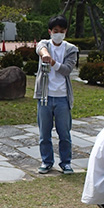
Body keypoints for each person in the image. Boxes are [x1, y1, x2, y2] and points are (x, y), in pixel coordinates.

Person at [33, 15, 79, 174]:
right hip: (45, 96)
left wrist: (52, 62)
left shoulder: (71, 49)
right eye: (55, 31)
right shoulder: (45, 44)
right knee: (44, 133)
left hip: (62, 98)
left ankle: (65, 163)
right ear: (50, 32)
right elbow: (40, 48)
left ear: (65, 32)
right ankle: (46, 162)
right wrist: (45, 54)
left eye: (61, 31)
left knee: (64, 133)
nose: (58, 34)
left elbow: (67, 70)